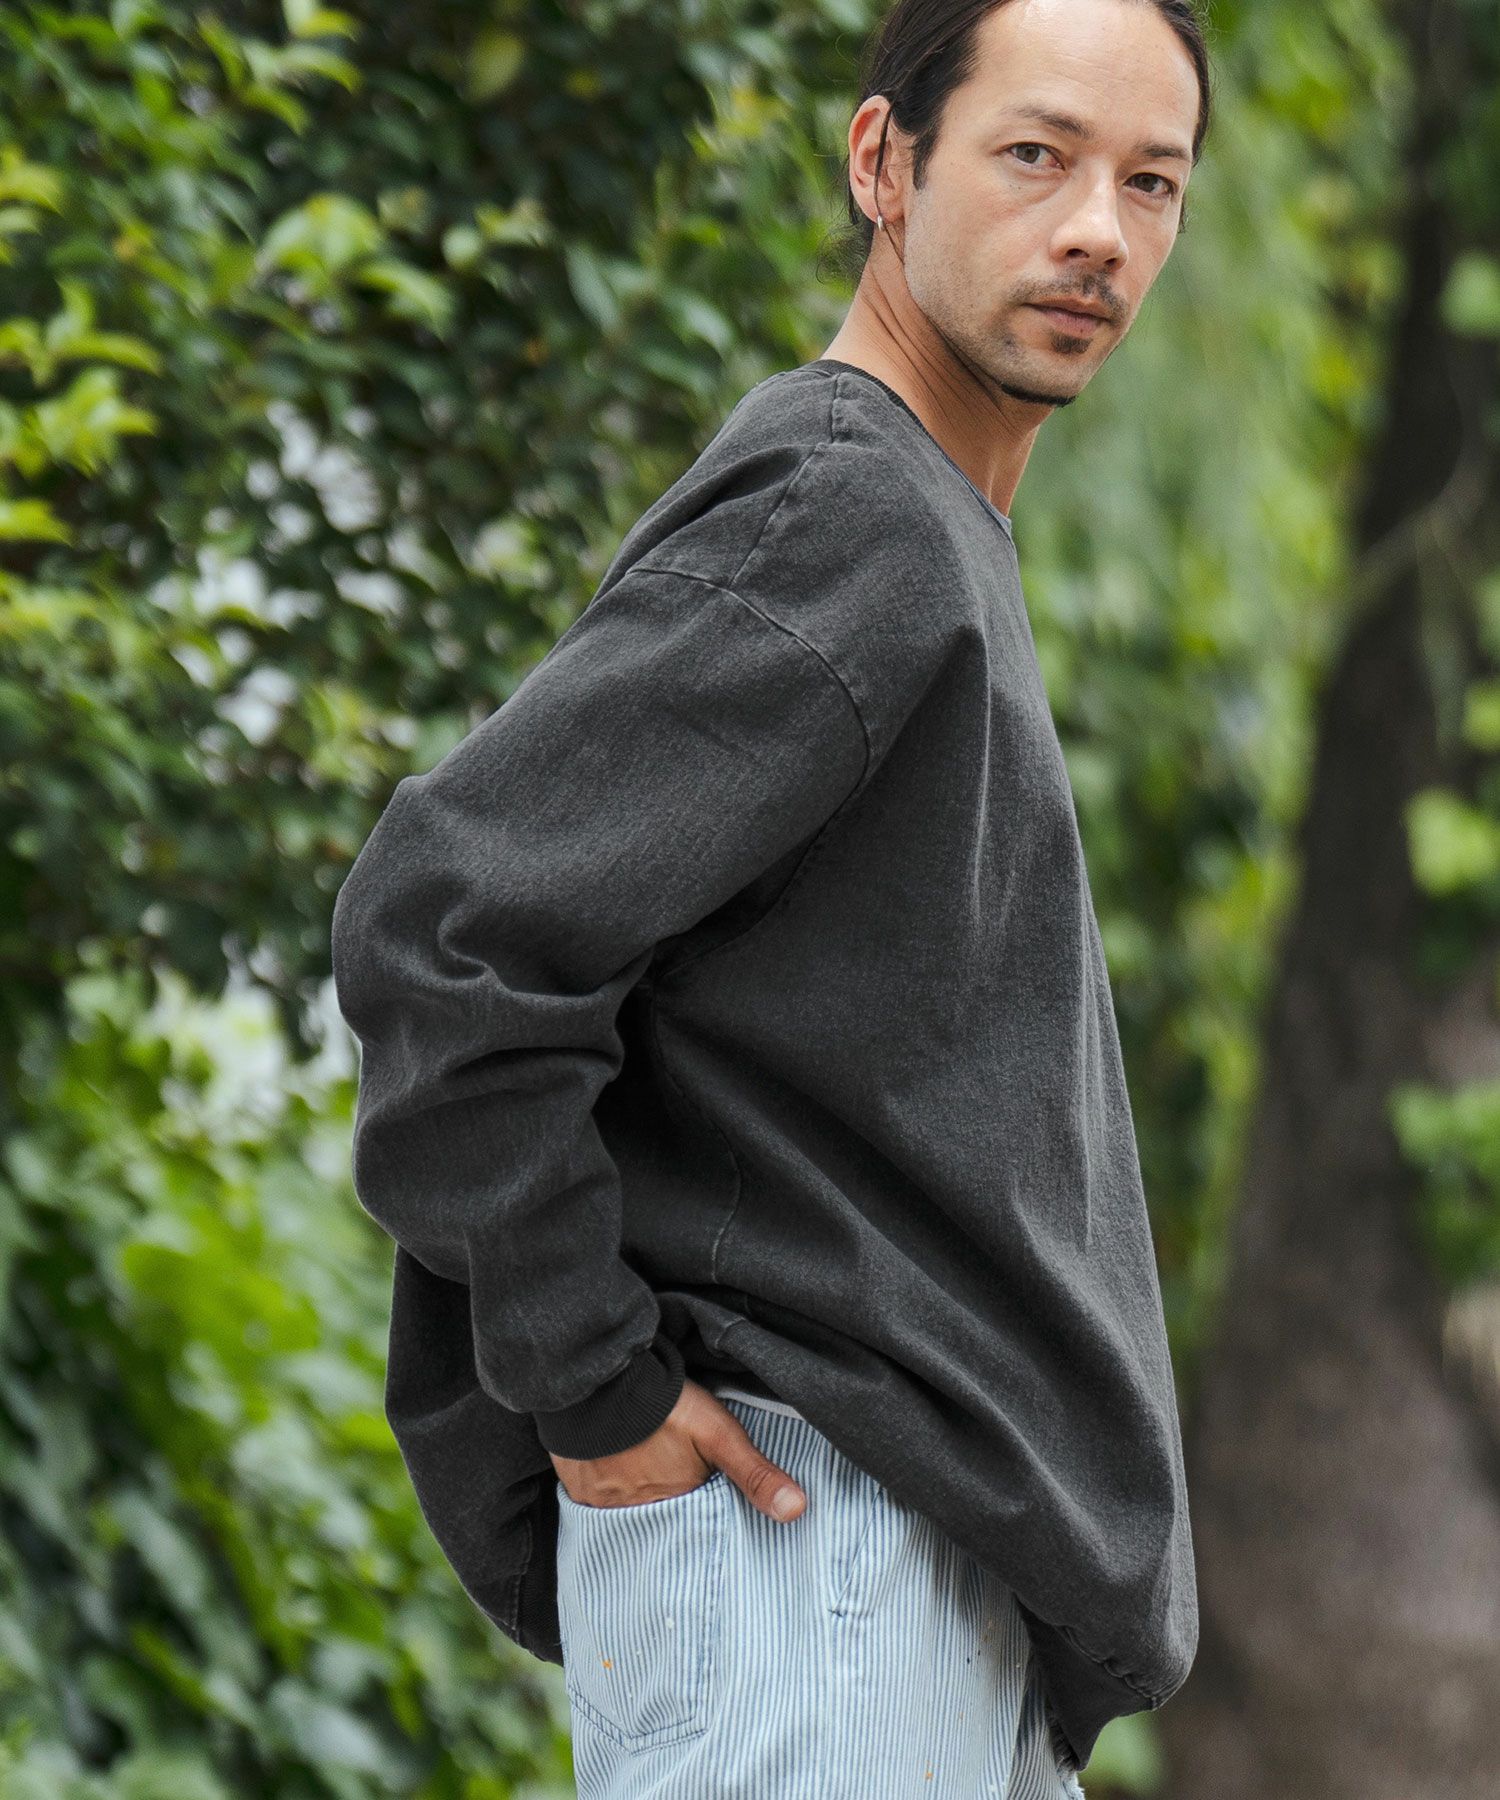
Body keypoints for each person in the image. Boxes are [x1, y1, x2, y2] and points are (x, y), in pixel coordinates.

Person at [330, 0, 1214, 1792]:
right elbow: (446, 932)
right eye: (1035, 155)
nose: (1098, 233)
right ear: (884, 160)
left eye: (1151, 182)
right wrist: (595, 1383)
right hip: (815, 1549)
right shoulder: (848, 513)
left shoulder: (925, 527)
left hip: (897, 1572)